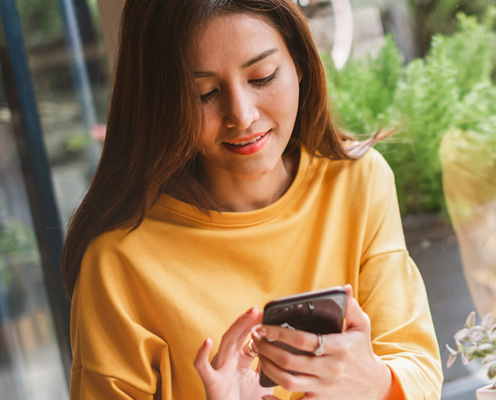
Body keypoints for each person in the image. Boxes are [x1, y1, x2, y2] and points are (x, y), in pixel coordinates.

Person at [62, 0, 443, 399]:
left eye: (262, 77)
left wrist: (374, 382)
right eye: (205, 93)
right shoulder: (118, 261)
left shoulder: (359, 183)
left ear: (298, 61)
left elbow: (416, 366)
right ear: (163, 102)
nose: (241, 116)